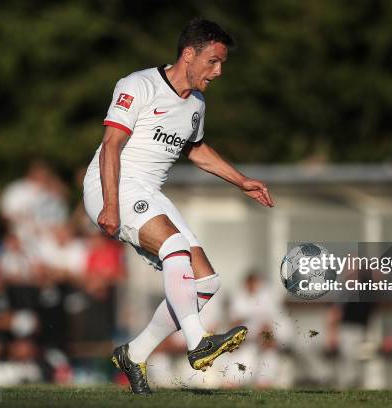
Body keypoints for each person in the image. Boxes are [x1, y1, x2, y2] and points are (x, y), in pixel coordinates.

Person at [83, 18, 274, 394]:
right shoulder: (138, 85)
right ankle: (197, 342)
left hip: (151, 192)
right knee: (174, 247)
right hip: (114, 184)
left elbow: (197, 151)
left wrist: (241, 180)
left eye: (222, 64)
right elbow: (111, 146)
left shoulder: (197, 104)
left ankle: (134, 354)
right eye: (213, 61)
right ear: (189, 53)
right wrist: (109, 205)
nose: (218, 71)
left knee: (207, 281)